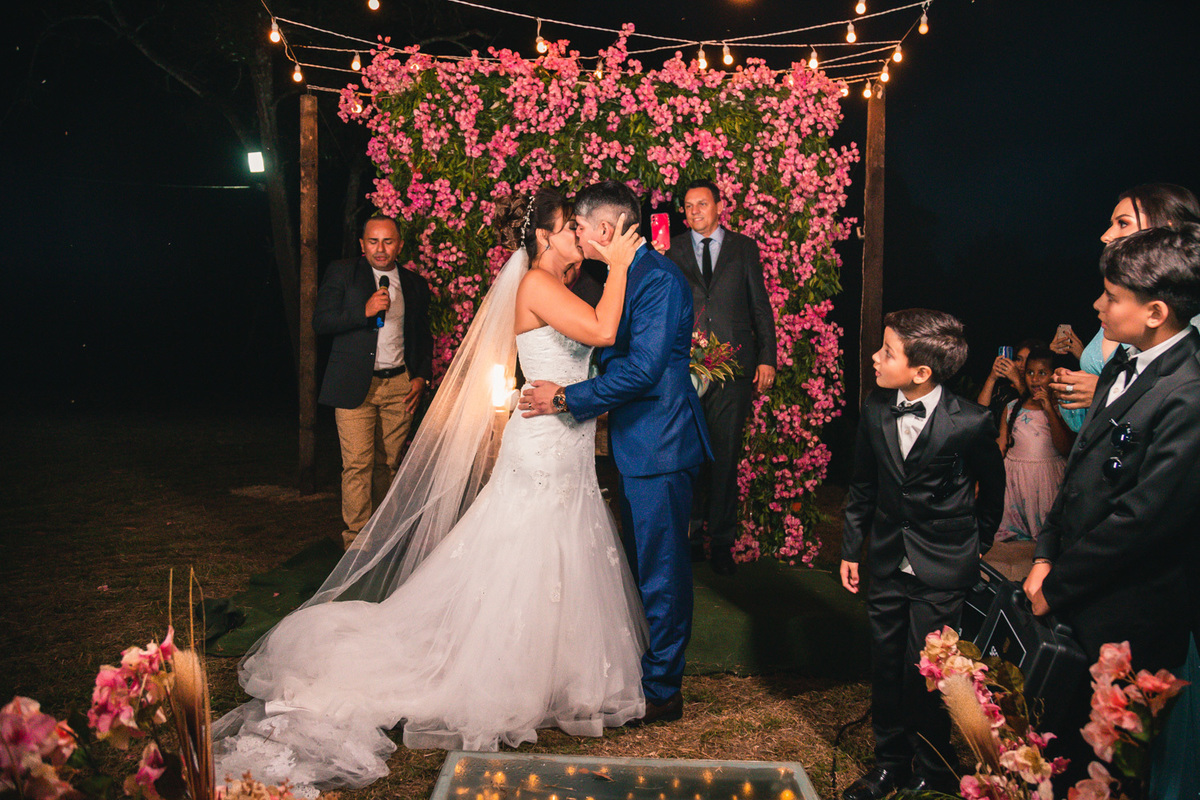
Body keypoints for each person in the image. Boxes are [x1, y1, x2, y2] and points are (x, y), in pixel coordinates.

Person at [213, 188, 649, 794]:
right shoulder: (536, 284)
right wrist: (622, 265)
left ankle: (554, 671)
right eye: (572, 227)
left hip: (565, 435)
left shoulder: (559, 284)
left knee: (559, 546)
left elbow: (590, 347)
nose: (583, 234)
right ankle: (501, 671)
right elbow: (603, 332)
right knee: (527, 546)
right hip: (544, 444)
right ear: (546, 236)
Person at [521, 179, 713, 726]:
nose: (578, 237)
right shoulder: (624, 274)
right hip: (637, 442)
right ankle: (644, 671)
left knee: (663, 572)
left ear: (603, 229)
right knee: (641, 565)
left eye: (580, 227)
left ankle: (663, 691)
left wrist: (565, 397)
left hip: (661, 444)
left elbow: (643, 370)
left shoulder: (658, 280)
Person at [1024, 224, 1200, 791]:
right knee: (1057, 753)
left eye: (1111, 296)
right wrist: (1044, 553)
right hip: (1079, 597)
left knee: (1104, 775)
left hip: (1128, 620)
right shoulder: (1124, 363)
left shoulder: (1188, 393)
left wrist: (1059, 584)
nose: (1097, 306)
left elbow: (1141, 520)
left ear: (1155, 312)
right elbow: (1076, 473)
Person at [840, 309, 1005, 800]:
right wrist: (852, 548)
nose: (875, 357)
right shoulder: (875, 407)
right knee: (886, 664)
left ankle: (935, 767)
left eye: (887, 352)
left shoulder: (971, 422)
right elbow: (863, 484)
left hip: (943, 566)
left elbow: (992, 492)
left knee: (929, 672)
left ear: (921, 372)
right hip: (888, 560)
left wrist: (975, 546)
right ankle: (889, 764)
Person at [660, 178, 777, 576]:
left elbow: (760, 306)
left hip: (733, 370)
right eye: (688, 206)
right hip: (686, 369)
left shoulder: (744, 248)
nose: (694, 211)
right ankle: (692, 538)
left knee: (725, 458)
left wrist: (767, 357)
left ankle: (723, 542)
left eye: (702, 204)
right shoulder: (670, 248)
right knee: (689, 455)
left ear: (719, 206)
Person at [314, 216, 433, 549]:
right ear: (362, 244)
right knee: (357, 464)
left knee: (388, 465)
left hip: (399, 386)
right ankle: (356, 542)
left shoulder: (414, 284)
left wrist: (420, 376)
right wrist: (363, 311)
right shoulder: (343, 273)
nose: (380, 249)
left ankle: (382, 539)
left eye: (388, 241)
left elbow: (422, 335)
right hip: (354, 385)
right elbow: (321, 321)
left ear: (399, 245)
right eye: (373, 241)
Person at [1050, 184, 1200, 432]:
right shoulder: (1118, 314)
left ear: (1166, 229)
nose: (1106, 235)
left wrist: (1107, 392)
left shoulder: (1186, 319)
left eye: (1123, 223)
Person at [994, 348, 1072, 542]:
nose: (1035, 379)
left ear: (1053, 376)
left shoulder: (1063, 408)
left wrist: (1049, 409)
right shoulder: (1012, 407)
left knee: (1048, 534)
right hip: (1015, 480)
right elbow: (1000, 446)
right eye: (1030, 372)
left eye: (1042, 373)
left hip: (1046, 479)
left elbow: (1065, 448)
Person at [975, 338, 1042, 428]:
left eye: (1027, 360)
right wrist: (992, 378)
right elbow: (980, 410)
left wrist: (1016, 379)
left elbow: (1034, 408)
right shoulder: (1002, 389)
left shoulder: (1038, 389)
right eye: (1019, 359)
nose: (1022, 365)